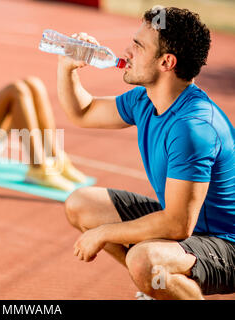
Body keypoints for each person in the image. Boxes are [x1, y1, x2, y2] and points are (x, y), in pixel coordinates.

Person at [59, 7, 234, 299]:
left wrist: (103, 233)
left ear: (166, 62)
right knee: (82, 203)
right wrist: (67, 68)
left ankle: (158, 283)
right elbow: (84, 111)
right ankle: (159, 290)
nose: (127, 52)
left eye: (138, 47)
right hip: (187, 229)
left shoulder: (193, 128)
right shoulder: (145, 99)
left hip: (225, 244)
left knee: (145, 261)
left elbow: (178, 224)